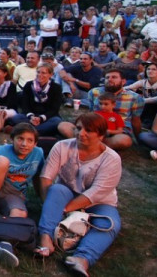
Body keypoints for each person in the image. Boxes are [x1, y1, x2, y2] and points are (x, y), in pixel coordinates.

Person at [33, 113, 122, 277]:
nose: (81, 133)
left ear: (101, 135)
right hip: (66, 193)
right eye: (78, 128)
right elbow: (46, 177)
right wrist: (48, 203)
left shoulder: (112, 159)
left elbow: (95, 193)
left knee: (110, 224)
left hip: (99, 202)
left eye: (89, 130)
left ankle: (82, 258)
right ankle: (45, 238)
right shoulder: (62, 146)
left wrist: (64, 210)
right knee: (56, 190)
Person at [0, 123, 44, 268]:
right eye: (20, 138)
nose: (24, 144)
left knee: (20, 214)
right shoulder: (3, 150)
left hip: (14, 193)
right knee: (1, 161)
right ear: (13, 139)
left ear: (35, 143)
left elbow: (37, 177)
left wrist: (43, 199)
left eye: (30, 140)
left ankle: (4, 243)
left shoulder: (39, 153)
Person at [60, 68, 143, 151]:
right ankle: (95, 145)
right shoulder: (94, 92)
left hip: (116, 132)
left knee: (124, 141)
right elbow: (91, 112)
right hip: (93, 127)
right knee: (63, 126)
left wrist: (138, 138)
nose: (109, 80)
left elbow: (135, 120)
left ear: (123, 81)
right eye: (107, 77)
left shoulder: (135, 98)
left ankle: (87, 144)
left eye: (114, 77)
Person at [8, 63, 63, 139]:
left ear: (50, 75)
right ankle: (39, 131)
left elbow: (54, 108)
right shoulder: (29, 85)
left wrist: (40, 118)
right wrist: (31, 117)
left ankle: (28, 131)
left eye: (43, 73)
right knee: (16, 118)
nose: (40, 75)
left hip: (47, 117)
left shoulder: (56, 87)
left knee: (56, 121)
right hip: (31, 116)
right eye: (38, 72)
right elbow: (25, 104)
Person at [124, 62, 157, 129]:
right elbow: (128, 87)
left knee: (151, 100)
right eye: (148, 69)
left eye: (154, 69)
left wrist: (143, 100)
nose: (150, 71)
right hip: (144, 104)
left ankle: (149, 124)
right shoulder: (143, 82)